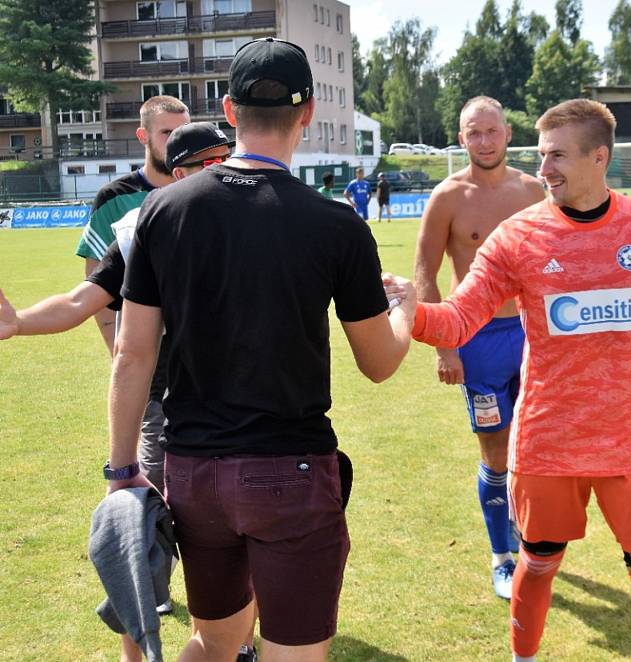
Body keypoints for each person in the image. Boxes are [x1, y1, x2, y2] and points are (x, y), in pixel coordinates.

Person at [404, 98, 631, 662]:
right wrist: (404, 311)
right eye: (541, 157)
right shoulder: (517, 237)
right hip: (547, 443)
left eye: (558, 157)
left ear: (600, 157)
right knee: (537, 567)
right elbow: (460, 316)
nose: (544, 170)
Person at [104, 37, 416, 662]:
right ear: (307, 115)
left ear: (228, 109)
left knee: (215, 641)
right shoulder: (336, 224)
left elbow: (133, 355)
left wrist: (121, 470)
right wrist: (403, 309)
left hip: (193, 473)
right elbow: (379, 363)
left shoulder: (163, 210)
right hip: (291, 472)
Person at [0, 122, 237, 662]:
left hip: (246, 408)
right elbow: (83, 299)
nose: (220, 172)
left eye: (226, 157)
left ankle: (237, 644)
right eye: (207, 164)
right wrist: (18, 324)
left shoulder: (260, 214)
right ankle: (136, 651)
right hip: (165, 406)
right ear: (178, 176)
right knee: (140, 536)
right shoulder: (146, 227)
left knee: (236, 541)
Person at [414, 96, 545, 600]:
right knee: (495, 450)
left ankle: (535, 541)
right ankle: (502, 558)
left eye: (492, 132)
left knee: (535, 447)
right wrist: (444, 345)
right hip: (478, 339)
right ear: (461, 136)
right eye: (474, 133)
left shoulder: (533, 190)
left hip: (535, 335)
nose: (484, 141)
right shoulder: (448, 197)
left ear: (507, 133)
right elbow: (425, 269)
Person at [75, 95, 190, 354]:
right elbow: (97, 280)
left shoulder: (205, 191)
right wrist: (115, 348)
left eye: (182, 132)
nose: (176, 141)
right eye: (166, 132)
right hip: (141, 346)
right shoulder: (114, 198)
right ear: (142, 136)